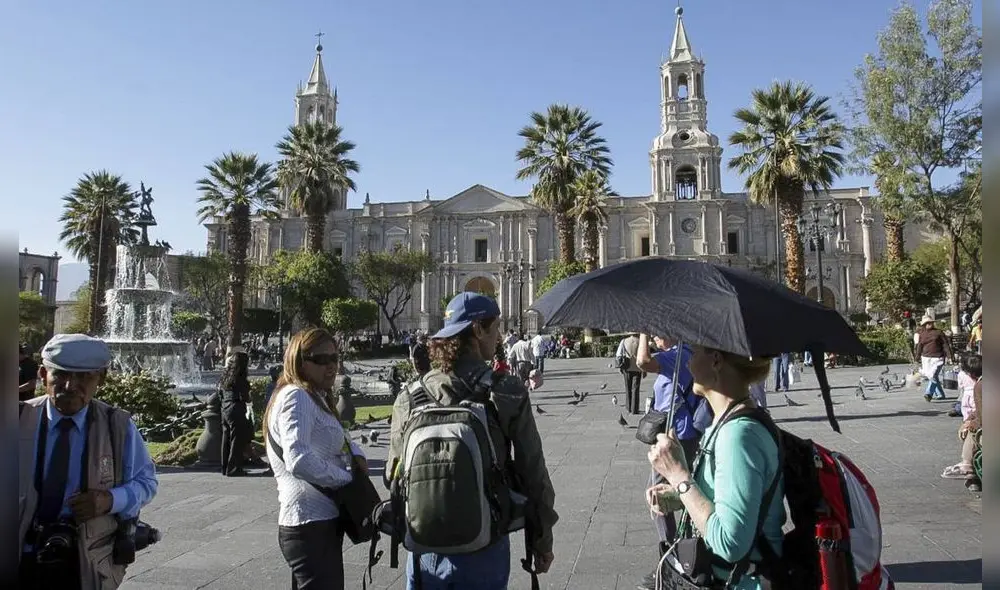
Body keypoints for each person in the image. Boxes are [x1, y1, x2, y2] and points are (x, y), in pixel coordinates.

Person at [387, 292, 558, 589]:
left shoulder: (410, 396)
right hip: (483, 544)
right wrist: (541, 540)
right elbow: (533, 471)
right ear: (478, 330)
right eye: (495, 328)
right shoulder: (505, 390)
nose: (500, 336)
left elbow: (393, 474)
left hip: (423, 545)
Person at [18, 334, 159, 590]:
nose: (71, 386)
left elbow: (146, 482)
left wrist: (110, 500)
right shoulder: (16, 419)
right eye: (60, 374)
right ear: (42, 374)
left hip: (87, 562)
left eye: (85, 377)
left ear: (100, 379)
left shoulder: (118, 427)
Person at [647, 347, 784, 590]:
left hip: (742, 581)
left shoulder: (738, 437)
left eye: (696, 352)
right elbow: (725, 497)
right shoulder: (725, 421)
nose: (688, 362)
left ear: (716, 360)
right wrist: (679, 496)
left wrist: (679, 476)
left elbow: (730, 544)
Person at [263, 327, 368, 590]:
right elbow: (298, 459)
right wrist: (346, 479)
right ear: (299, 361)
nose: (331, 366)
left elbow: (335, 437)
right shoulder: (296, 397)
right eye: (321, 360)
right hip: (309, 525)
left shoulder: (314, 397)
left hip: (319, 522)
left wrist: (356, 453)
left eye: (335, 358)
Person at [634, 333, 699, 590]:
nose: (655, 337)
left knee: (656, 495)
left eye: (660, 332)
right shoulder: (678, 354)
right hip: (678, 433)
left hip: (676, 436)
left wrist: (642, 331)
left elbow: (642, 361)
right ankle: (681, 551)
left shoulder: (679, 354)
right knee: (674, 493)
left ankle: (672, 558)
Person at [941, 354, 982, 480]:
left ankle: (967, 466)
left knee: (972, 431)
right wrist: (971, 418)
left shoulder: (980, 386)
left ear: (970, 374)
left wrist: (969, 423)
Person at [219, 352, 253, 477]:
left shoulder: (225, 376)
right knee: (237, 439)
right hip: (236, 406)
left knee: (226, 438)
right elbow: (245, 395)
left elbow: (220, 392)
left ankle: (225, 467)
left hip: (225, 407)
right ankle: (234, 468)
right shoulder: (240, 377)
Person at [915, 315, 952, 402]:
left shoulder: (939, 332)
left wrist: (950, 356)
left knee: (933, 375)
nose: (929, 324)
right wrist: (917, 357)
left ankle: (928, 393)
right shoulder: (922, 334)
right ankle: (940, 394)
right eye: (927, 323)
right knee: (932, 376)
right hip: (926, 358)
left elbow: (945, 345)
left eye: (930, 322)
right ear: (924, 325)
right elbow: (919, 346)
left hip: (938, 358)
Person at [615, 333, 644, 415]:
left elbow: (618, 354)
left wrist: (620, 367)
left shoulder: (624, 341)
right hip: (638, 367)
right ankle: (634, 409)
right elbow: (643, 356)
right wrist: (644, 370)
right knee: (636, 388)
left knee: (628, 387)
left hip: (626, 367)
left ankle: (628, 407)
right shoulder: (640, 341)